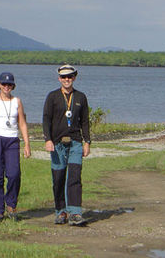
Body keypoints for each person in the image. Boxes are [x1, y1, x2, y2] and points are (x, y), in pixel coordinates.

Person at [43, 64, 91, 226]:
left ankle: (75, 213)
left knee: (75, 176)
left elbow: (85, 121)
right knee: (58, 178)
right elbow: (46, 120)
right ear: (59, 79)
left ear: (75, 77)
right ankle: (60, 211)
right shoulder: (52, 97)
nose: (67, 80)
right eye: (63, 77)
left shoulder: (81, 97)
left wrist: (87, 142)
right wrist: (47, 140)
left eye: (70, 76)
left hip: (76, 142)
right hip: (57, 144)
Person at [0, 72, 31, 222]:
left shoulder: (17, 102)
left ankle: (11, 205)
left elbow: (22, 123)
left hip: (12, 140)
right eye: (4, 84)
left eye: (9, 85)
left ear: (13, 86)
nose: (6, 87)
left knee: (14, 174)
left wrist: (27, 144)